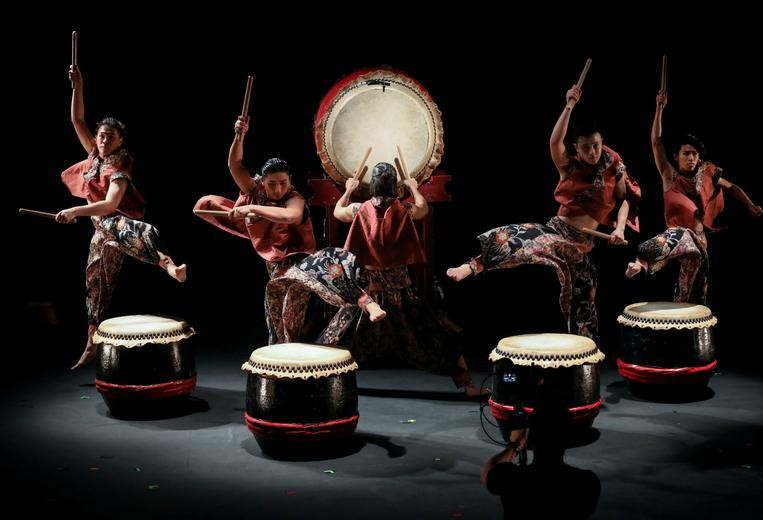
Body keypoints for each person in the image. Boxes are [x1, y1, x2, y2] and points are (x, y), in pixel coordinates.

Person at [268, 163, 487, 397]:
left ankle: (308, 383)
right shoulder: (405, 209)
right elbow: (423, 209)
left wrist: (349, 189)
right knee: (435, 335)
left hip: (367, 291)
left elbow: (337, 212)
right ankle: (468, 386)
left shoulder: (358, 208)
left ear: (372, 184)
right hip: (400, 291)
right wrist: (413, 188)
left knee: (335, 336)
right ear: (394, 185)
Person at [447, 84, 640, 339]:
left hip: (583, 245)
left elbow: (624, 199)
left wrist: (618, 228)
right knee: (520, 237)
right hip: (558, 231)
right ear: (576, 148)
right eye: (585, 148)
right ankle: (472, 266)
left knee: (585, 302)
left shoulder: (614, 164)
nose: (591, 152)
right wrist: (569, 105)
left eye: (595, 145)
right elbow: (554, 141)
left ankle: (584, 362)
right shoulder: (570, 167)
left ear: (601, 140)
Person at [57, 65, 186, 370]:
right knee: (96, 284)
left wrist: (75, 210)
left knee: (143, 229)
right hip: (103, 235)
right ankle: (90, 341)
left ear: (119, 142)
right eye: (100, 135)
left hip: (117, 225)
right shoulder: (93, 156)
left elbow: (110, 205)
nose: (102, 140)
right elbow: (77, 118)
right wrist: (79, 84)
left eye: (109, 137)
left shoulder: (120, 166)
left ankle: (170, 267)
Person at [625, 91, 763, 303]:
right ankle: (640, 263)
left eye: (694, 154)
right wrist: (659, 108)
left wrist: (751, 205)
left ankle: (691, 328)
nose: (692, 158)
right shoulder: (670, 175)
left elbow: (731, 187)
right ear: (676, 156)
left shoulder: (708, 172)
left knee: (692, 294)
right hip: (678, 237)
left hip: (699, 243)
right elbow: (656, 142)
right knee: (678, 237)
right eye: (686, 153)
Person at [193, 115, 317, 341]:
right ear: (262, 182)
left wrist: (254, 209)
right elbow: (234, 164)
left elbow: (291, 216)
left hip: (301, 262)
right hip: (274, 264)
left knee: (291, 309)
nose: (278, 189)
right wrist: (239, 135)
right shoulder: (256, 191)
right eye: (272, 184)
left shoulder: (295, 198)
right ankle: (279, 353)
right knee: (273, 309)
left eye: (283, 183)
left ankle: (294, 351)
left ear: (290, 181)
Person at [482, 370, 601, 519]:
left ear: (532, 434)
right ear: (566, 436)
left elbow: (487, 473)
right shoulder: (585, 483)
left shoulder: (511, 479)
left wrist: (515, 445)